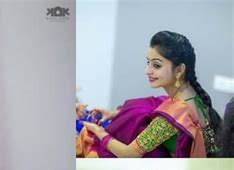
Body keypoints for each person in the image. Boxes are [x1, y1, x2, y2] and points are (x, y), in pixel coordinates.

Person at [76, 31, 221, 158]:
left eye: (156, 65)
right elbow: (155, 106)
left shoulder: (171, 118)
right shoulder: (192, 94)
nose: (147, 71)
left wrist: (99, 132)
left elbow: (128, 154)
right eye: (148, 62)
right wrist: (115, 113)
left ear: (179, 70)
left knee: (88, 140)